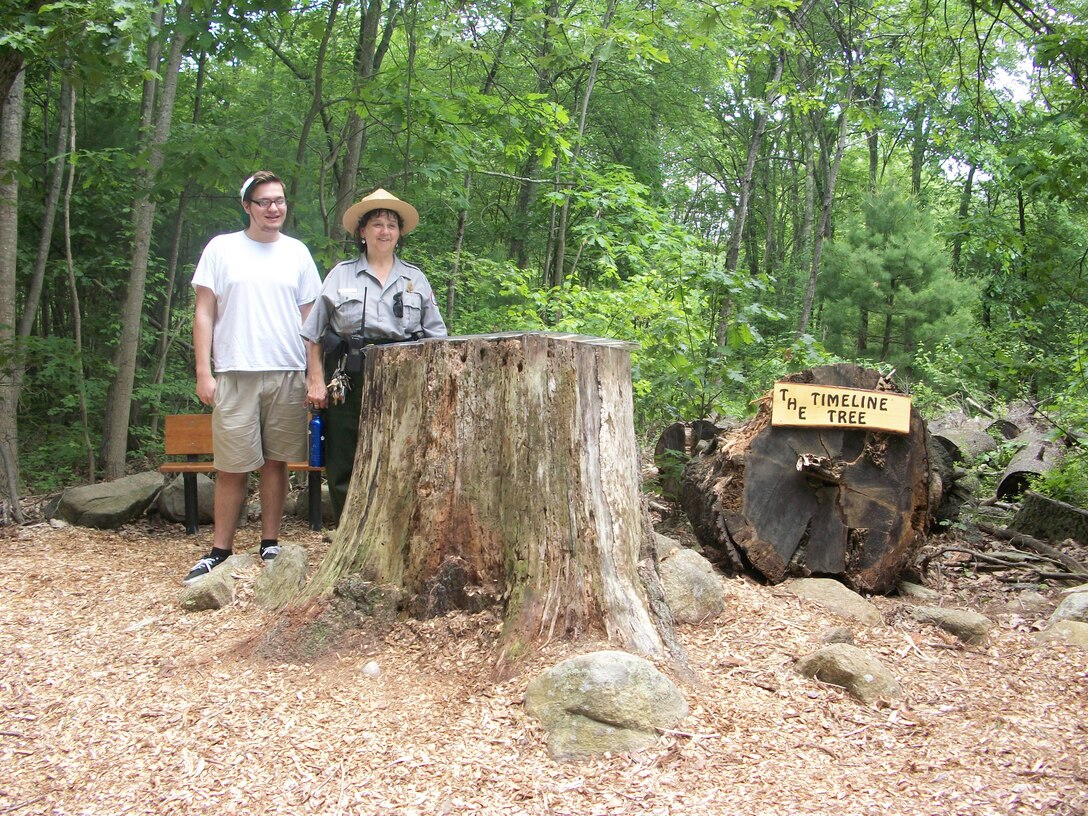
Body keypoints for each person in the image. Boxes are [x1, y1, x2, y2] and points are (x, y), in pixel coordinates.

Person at [183, 170, 322, 584]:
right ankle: (220, 550)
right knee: (232, 466)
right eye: (264, 202)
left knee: (276, 463)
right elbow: (204, 312)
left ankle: (270, 543)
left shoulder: (297, 252)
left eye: (279, 200)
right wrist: (203, 372)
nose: (273, 208)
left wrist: (314, 376)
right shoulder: (222, 249)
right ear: (247, 206)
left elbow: (310, 319)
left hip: (285, 370)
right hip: (235, 372)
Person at [301, 188, 447, 523]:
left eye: (392, 225)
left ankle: (395, 531)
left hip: (404, 378)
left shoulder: (415, 279)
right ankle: (347, 533)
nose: (385, 231)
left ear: (399, 233)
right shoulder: (341, 275)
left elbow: (437, 337)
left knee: (403, 453)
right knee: (343, 457)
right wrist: (315, 380)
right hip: (348, 377)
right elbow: (313, 334)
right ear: (362, 232)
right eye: (377, 224)